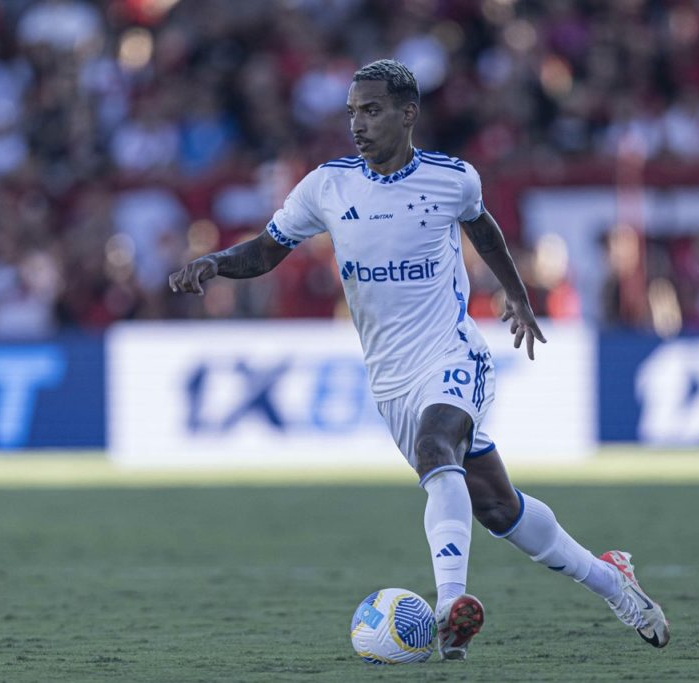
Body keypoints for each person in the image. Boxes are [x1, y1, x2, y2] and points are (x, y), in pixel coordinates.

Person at [169, 59, 670, 660]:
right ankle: (614, 580)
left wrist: (516, 296)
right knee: (496, 508)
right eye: (352, 111)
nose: (358, 123)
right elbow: (268, 250)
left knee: (439, 447)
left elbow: (483, 230)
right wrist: (216, 262)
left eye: (372, 110)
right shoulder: (326, 186)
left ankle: (449, 608)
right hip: (390, 378)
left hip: (452, 352)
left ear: (408, 114)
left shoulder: (452, 178)